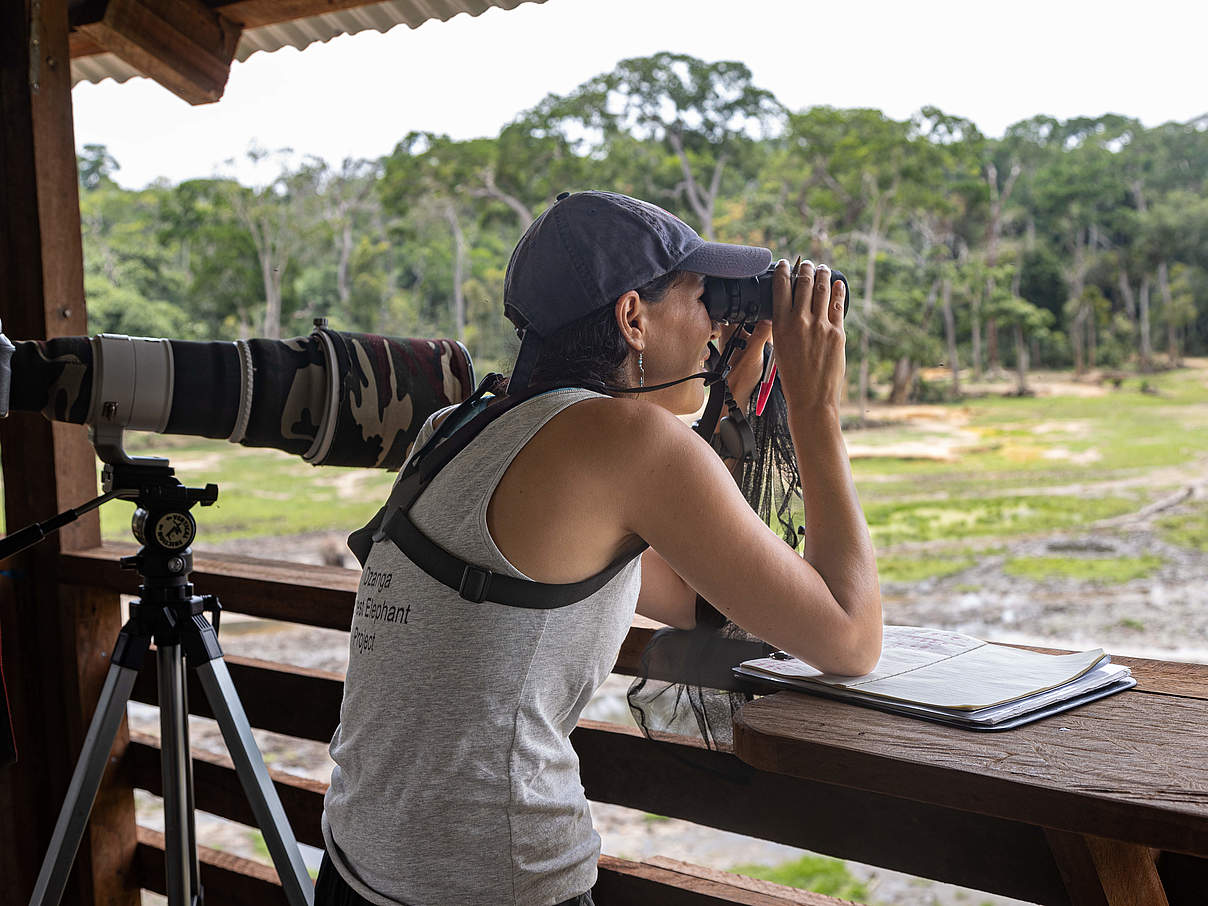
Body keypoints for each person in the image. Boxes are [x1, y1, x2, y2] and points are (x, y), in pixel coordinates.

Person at [316, 191, 881, 906]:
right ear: (632, 317)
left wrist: (731, 401)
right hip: (495, 886)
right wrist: (816, 407)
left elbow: (697, 597)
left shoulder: (458, 426)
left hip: (355, 868)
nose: (715, 325)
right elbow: (851, 639)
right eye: (704, 296)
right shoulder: (632, 443)